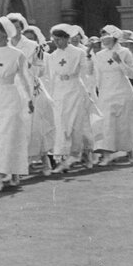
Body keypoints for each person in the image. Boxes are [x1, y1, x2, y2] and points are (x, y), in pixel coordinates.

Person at [0, 17, 32, 192]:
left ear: (5, 33)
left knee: (8, 135)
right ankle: (9, 172)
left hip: (10, 97)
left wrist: (30, 98)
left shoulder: (17, 54)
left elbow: (24, 79)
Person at [90, 25, 133, 164]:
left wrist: (120, 62)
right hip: (106, 92)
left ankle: (130, 150)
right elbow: (98, 74)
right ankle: (107, 154)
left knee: (124, 123)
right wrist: (97, 90)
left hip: (122, 91)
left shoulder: (125, 52)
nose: (103, 40)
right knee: (106, 123)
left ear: (114, 37)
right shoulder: (100, 55)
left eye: (106, 37)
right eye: (102, 37)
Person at [8, 12, 55, 175]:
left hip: (31, 87)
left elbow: (41, 68)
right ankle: (19, 164)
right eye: (10, 26)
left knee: (36, 127)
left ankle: (45, 161)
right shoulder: (4, 46)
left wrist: (29, 67)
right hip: (12, 89)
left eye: (17, 26)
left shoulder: (33, 46)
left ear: (22, 27)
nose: (14, 30)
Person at [44, 23, 94, 172]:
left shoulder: (78, 53)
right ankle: (63, 158)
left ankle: (83, 154)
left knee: (76, 123)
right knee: (61, 123)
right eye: (54, 39)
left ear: (67, 38)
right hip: (59, 91)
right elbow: (51, 76)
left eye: (59, 39)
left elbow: (88, 72)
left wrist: (89, 57)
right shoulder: (53, 56)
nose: (56, 42)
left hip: (75, 89)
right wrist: (51, 94)